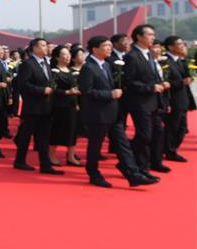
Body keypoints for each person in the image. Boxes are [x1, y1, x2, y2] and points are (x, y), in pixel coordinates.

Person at [77, 35, 152, 188]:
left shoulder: (106, 65)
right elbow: (86, 92)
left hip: (113, 113)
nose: (109, 49)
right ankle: (94, 174)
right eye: (106, 46)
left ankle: (133, 174)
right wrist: (109, 94)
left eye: (110, 46)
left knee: (123, 144)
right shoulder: (88, 68)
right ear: (95, 49)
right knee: (95, 146)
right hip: (98, 114)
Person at [123, 24, 168, 179]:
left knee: (157, 133)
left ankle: (147, 163)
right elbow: (129, 81)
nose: (152, 38)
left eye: (153, 35)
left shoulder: (148, 54)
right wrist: (151, 87)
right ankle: (138, 166)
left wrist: (159, 84)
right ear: (139, 37)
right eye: (149, 35)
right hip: (140, 102)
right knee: (144, 136)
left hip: (154, 102)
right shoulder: (131, 56)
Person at [13, 38, 63, 175]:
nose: (46, 48)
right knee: (26, 135)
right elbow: (23, 84)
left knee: (44, 137)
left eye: (46, 45)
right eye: (43, 45)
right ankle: (19, 161)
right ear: (34, 48)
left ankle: (45, 165)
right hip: (32, 107)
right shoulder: (28, 64)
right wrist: (41, 90)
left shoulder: (46, 63)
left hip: (46, 106)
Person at [48, 46, 81, 167]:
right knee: (57, 131)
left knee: (72, 130)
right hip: (59, 106)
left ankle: (71, 156)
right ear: (57, 57)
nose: (68, 57)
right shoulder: (54, 72)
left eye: (69, 54)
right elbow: (52, 90)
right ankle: (52, 156)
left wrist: (77, 102)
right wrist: (67, 92)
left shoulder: (72, 71)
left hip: (72, 105)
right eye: (64, 54)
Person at [162, 35, 190, 162]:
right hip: (172, 99)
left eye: (183, 44)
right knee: (172, 127)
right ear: (170, 47)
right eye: (179, 44)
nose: (182, 46)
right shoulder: (165, 61)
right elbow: (164, 82)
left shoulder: (179, 60)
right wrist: (180, 82)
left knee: (182, 128)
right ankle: (169, 151)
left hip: (182, 99)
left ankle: (170, 149)